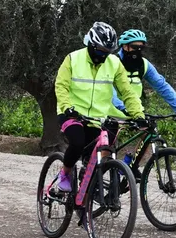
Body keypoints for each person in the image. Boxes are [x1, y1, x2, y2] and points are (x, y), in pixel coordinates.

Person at [53, 21, 147, 193]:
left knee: (104, 152)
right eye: (100, 51)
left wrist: (138, 114)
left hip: (99, 117)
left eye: (108, 52)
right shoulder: (73, 59)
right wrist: (67, 107)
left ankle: (87, 185)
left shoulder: (114, 63)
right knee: (77, 142)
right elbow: (61, 86)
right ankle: (65, 174)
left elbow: (127, 92)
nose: (103, 56)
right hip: (72, 114)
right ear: (91, 44)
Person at [109, 29, 176, 120]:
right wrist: (122, 107)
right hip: (111, 114)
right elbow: (108, 89)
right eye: (135, 47)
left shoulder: (144, 64)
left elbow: (161, 86)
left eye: (141, 47)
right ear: (125, 46)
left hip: (135, 112)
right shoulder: (112, 62)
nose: (138, 50)